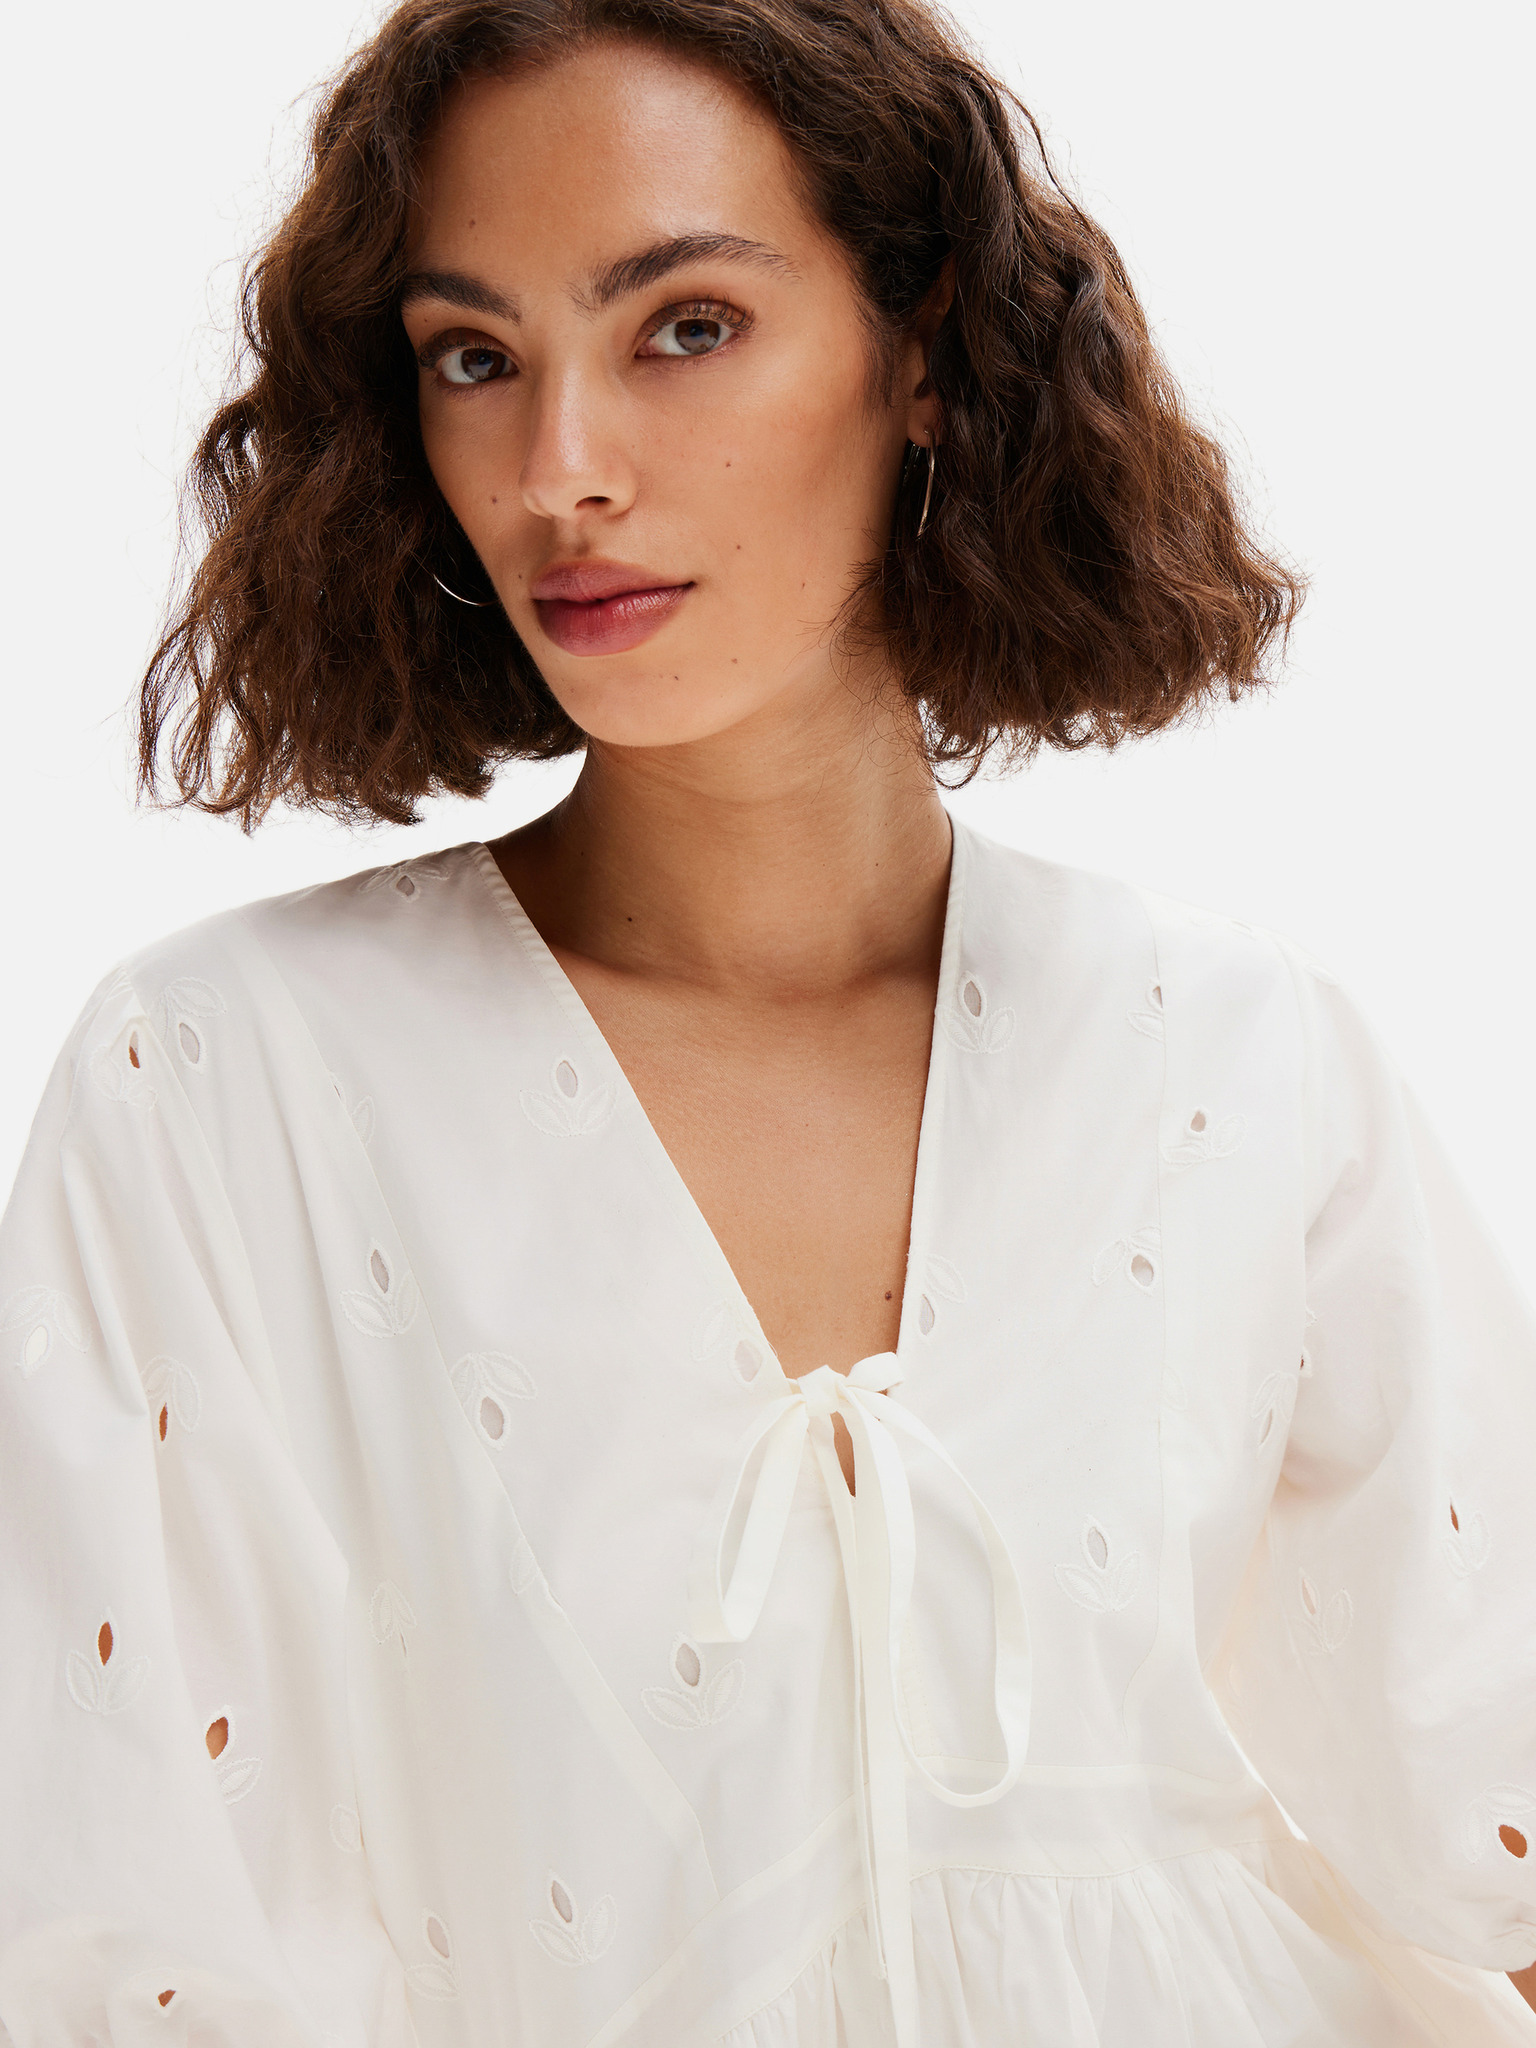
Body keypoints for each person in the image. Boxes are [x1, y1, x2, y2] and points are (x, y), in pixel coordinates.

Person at [2, 0, 1533, 2041]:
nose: (563, 468)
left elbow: (1489, 1775)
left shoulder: (1237, 1058)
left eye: (686, 326)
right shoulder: (221, 1083)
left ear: (922, 350)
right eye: (476, 357)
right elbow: (125, 1931)